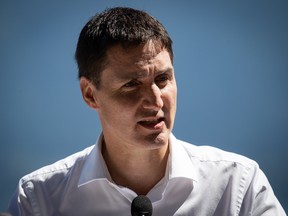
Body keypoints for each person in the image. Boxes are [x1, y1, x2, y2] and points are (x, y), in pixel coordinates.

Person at [6, 7, 286, 216]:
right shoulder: (37, 198)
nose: (155, 100)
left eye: (163, 80)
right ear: (90, 94)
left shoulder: (239, 184)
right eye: (131, 85)